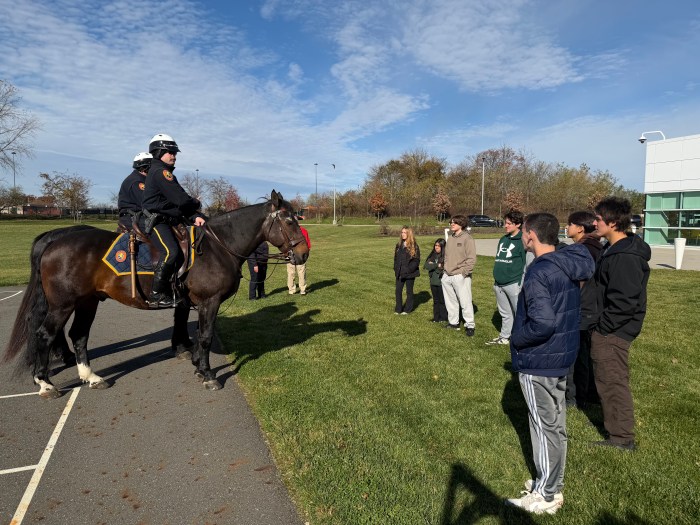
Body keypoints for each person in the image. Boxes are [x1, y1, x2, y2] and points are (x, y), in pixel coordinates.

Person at [506, 213, 594, 515]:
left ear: (530, 235)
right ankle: (549, 482)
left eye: (523, 233)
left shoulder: (539, 272)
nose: (521, 237)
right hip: (561, 356)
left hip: (540, 360)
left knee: (544, 428)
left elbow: (543, 322)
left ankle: (546, 495)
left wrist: (516, 339)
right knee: (555, 425)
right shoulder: (564, 263)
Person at [590, 197, 650, 451]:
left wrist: (604, 328)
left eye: (599, 219)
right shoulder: (613, 248)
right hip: (609, 328)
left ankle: (621, 438)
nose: (594, 223)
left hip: (614, 332)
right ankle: (616, 428)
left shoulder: (625, 256)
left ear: (613, 223)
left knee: (613, 381)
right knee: (607, 379)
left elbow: (625, 301)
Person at [140, 133, 206, 308]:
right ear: (159, 151)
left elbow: (177, 205)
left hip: (168, 218)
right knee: (171, 252)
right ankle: (156, 294)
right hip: (155, 221)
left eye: (174, 152)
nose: (174, 156)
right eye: (170, 152)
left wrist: (196, 216)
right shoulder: (160, 172)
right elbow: (181, 199)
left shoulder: (165, 173)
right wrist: (196, 202)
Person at [564, 211, 604, 408]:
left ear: (579, 228)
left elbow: (579, 279)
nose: (567, 227)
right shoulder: (595, 246)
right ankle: (589, 394)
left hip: (582, 306)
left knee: (577, 354)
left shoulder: (583, 249)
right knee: (586, 353)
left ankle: (576, 397)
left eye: (570, 224)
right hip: (590, 307)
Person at [487, 210, 526, 345]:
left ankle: (521, 340)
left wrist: (521, 283)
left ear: (518, 224)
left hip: (514, 283)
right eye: (505, 223)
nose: (505, 226)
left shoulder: (523, 240)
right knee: (505, 313)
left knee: (519, 313)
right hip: (499, 283)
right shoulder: (504, 239)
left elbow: (525, 263)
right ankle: (504, 337)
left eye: (509, 223)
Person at [441, 215, 476, 335]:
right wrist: (445, 271)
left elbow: (471, 258)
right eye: (451, 222)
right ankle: (453, 323)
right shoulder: (450, 238)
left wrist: (464, 274)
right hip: (447, 275)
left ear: (461, 224)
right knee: (450, 301)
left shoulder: (468, 238)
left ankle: (470, 325)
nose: (451, 224)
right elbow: (446, 256)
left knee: (465, 301)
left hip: (460, 275)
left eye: (454, 223)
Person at [117, 152, 152, 230]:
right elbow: (148, 202)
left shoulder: (143, 180)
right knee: (160, 228)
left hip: (139, 216)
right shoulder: (137, 182)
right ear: (145, 168)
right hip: (133, 218)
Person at [393, 226, 420, 314]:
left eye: (405, 232)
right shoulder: (398, 245)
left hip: (410, 273)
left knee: (409, 291)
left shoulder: (414, 246)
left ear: (409, 234)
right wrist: (396, 268)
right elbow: (395, 258)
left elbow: (416, 260)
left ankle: (407, 309)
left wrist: (408, 270)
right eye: (402, 232)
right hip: (400, 272)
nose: (403, 234)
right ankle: (398, 309)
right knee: (398, 291)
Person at [424, 238, 448, 322]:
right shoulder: (432, 255)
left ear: (443, 247)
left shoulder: (446, 256)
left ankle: (443, 317)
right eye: (435, 245)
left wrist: (434, 266)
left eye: (438, 246)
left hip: (441, 282)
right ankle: (436, 318)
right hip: (433, 281)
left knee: (442, 301)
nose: (436, 247)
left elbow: (443, 269)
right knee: (435, 300)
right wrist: (437, 265)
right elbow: (426, 266)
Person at [288, 225, 311, 295]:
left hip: (290, 253)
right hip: (300, 254)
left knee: (291, 273)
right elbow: (308, 244)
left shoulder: (288, 231)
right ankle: (302, 290)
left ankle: (291, 290)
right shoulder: (303, 230)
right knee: (301, 272)